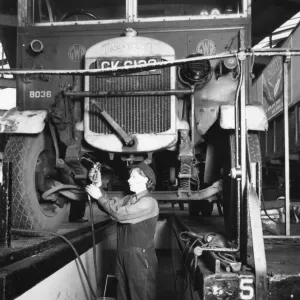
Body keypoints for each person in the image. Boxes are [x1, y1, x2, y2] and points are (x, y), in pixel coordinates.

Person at [85, 162, 159, 300]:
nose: (129, 180)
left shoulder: (149, 202)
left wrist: (98, 197)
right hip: (123, 254)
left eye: (134, 177)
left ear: (146, 180)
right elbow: (108, 206)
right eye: (130, 176)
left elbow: (119, 214)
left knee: (140, 293)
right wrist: (99, 185)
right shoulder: (129, 199)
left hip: (140, 258)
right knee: (122, 293)